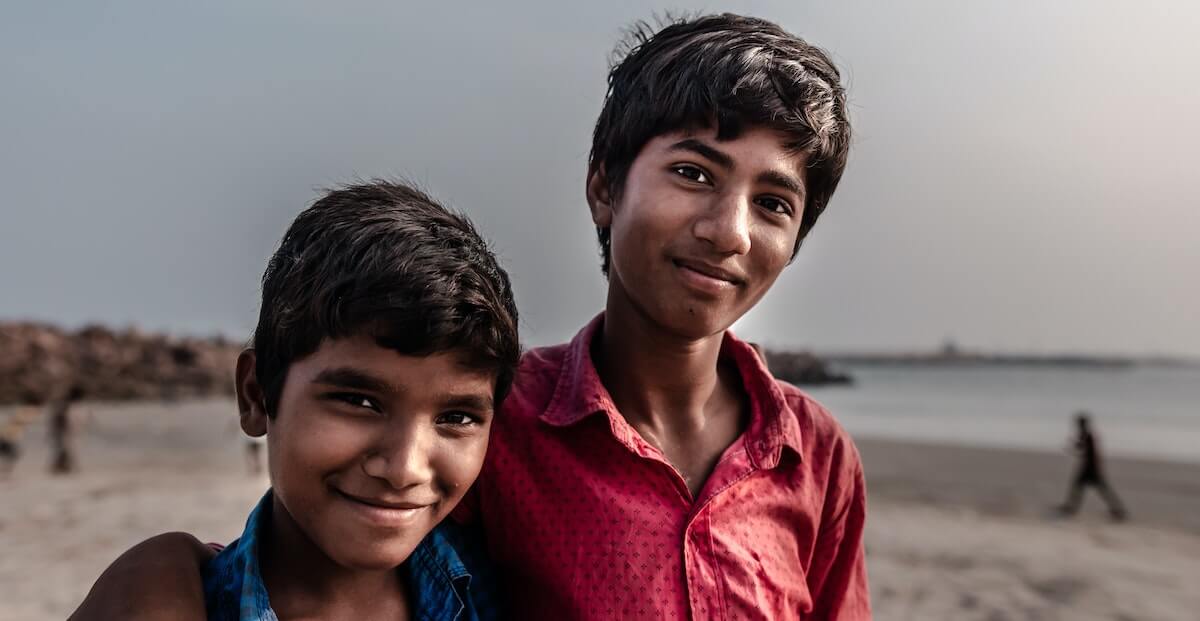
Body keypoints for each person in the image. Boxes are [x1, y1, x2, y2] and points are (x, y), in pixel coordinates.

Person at [72, 13, 868, 620]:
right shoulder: (503, 419)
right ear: (603, 185)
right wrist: (169, 576)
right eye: (694, 171)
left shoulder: (816, 457)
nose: (728, 229)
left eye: (772, 202)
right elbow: (334, 550)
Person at [76, 181, 520, 620]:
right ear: (256, 395)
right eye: (359, 402)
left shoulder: (511, 585)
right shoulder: (181, 601)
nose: (405, 469)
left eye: (456, 416)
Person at [1058, 411, 1128, 521]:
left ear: (1082, 424)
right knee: (1086, 487)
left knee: (1095, 488)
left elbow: (1086, 450)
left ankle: (1118, 510)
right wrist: (1074, 447)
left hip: (1090, 467)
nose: (1077, 425)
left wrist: (1073, 447)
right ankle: (1118, 510)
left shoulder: (1087, 434)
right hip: (1090, 467)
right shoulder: (1085, 434)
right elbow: (1082, 447)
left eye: (1078, 423)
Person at [48, 384, 85, 474]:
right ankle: (64, 467)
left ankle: (63, 467)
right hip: (66, 431)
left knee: (66, 449)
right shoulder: (68, 405)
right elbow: (62, 418)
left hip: (66, 430)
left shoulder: (68, 405)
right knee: (68, 449)